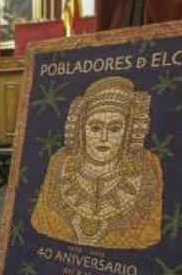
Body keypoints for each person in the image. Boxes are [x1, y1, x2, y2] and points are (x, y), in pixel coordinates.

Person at [31, 76, 162, 248]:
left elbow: (147, 234)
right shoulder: (60, 162)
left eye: (115, 128)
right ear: (81, 130)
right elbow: (43, 223)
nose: (104, 138)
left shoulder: (146, 166)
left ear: (128, 131)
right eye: (95, 128)